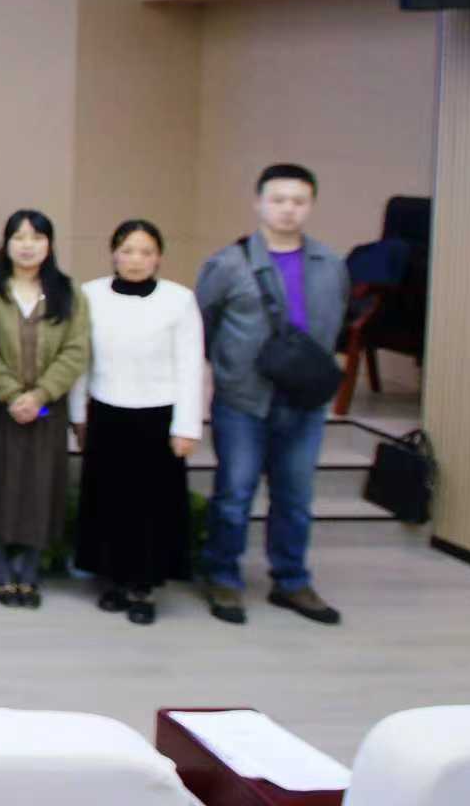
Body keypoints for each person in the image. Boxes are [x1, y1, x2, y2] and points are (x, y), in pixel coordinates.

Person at [194, 163, 351, 627]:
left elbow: (338, 322)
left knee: (295, 497)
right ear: (258, 203)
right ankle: (223, 576)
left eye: (298, 201)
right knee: (234, 493)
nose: (288, 209)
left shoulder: (331, 264)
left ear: (311, 206)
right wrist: (224, 373)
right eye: (278, 200)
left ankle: (292, 580)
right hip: (243, 399)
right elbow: (203, 323)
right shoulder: (228, 264)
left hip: (304, 400)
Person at [73, 219, 204, 625]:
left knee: (152, 506)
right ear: (113, 253)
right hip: (107, 411)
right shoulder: (90, 295)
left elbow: (190, 366)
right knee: (109, 501)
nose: (135, 260)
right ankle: (112, 580)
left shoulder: (179, 300)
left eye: (146, 252)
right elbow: (80, 360)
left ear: (159, 257)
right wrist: (78, 415)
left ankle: (144, 586)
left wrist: (187, 426)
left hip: (158, 415)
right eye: (127, 250)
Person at [0, 208, 90, 610]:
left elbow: (76, 349)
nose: (27, 245)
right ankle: (1, 568)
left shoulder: (69, 292)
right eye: (18, 237)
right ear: (6, 244)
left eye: (36, 237)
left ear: (49, 245)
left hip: (46, 410)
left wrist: (39, 396)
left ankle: (31, 571)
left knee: (40, 485)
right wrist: (10, 393)